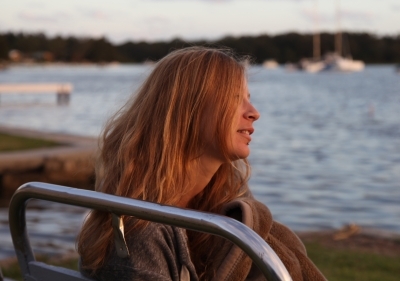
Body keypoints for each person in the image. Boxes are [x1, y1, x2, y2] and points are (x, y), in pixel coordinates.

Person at [77, 47, 327, 281]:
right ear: (188, 111)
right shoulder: (139, 230)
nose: (254, 112)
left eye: (248, 98)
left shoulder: (227, 205)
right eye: (234, 98)